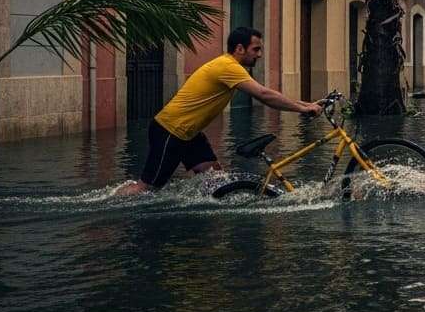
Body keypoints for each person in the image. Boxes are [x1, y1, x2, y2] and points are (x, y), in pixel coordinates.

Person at [117, 26, 322, 195]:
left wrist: (308, 105)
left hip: (189, 134)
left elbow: (269, 94)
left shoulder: (230, 66)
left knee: (217, 180)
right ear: (240, 49)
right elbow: (264, 95)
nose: (259, 55)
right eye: (256, 49)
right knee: (146, 188)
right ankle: (113, 205)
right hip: (171, 131)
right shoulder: (228, 67)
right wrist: (302, 110)